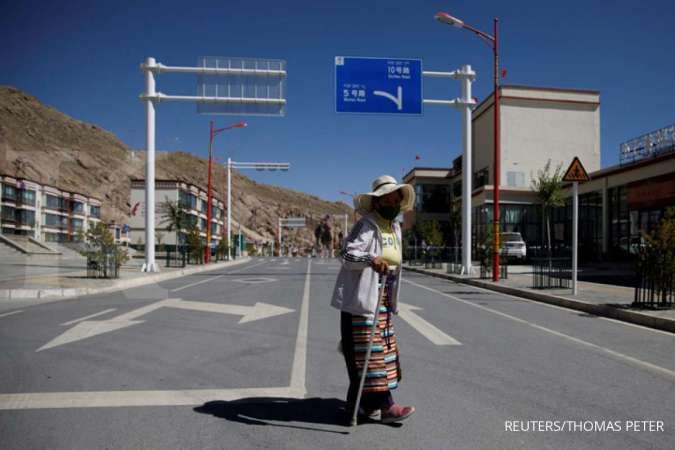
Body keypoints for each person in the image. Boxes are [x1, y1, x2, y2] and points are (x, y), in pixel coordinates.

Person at [330, 175, 416, 424]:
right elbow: (346, 253)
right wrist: (370, 260)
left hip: (384, 298)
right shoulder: (367, 225)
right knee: (371, 355)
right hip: (363, 300)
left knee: (381, 354)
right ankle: (387, 406)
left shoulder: (395, 227)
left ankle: (362, 405)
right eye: (386, 199)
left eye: (395, 199)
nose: (392, 203)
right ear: (377, 202)